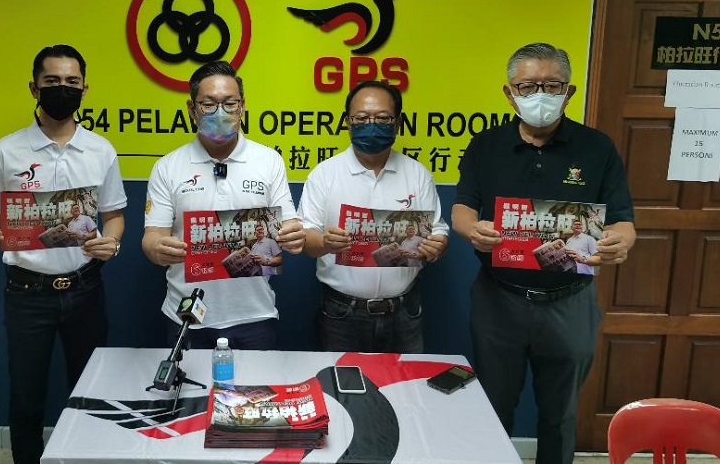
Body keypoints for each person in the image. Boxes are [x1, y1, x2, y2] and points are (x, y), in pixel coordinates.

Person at [452, 42, 636, 464]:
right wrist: (471, 229)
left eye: (552, 86)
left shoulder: (597, 148)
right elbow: (463, 207)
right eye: (527, 86)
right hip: (499, 300)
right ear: (509, 93)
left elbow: (623, 220)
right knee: (493, 407)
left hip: (569, 301)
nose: (540, 95)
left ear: (569, 93)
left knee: (559, 415)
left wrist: (619, 241)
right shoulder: (486, 145)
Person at [0, 44, 127, 464]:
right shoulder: (6, 151)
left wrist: (111, 242)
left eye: (71, 82)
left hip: (85, 288)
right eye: (52, 81)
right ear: (34, 88)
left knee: (90, 392)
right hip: (26, 293)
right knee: (26, 398)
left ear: (84, 89)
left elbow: (114, 217)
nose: (62, 88)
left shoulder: (101, 150)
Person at [142, 60, 305, 350]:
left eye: (230, 103)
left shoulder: (269, 161)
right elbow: (152, 236)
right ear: (192, 109)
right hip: (187, 314)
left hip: (255, 314)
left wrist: (293, 234)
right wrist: (157, 249)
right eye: (209, 104)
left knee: (257, 382)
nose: (221, 112)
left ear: (242, 107)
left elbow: (288, 222)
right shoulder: (167, 167)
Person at [298, 80, 450, 353]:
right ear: (347, 122)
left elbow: (437, 230)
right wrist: (324, 242)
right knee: (341, 380)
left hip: (404, 312)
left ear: (398, 123)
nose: (371, 125)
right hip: (342, 313)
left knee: (406, 380)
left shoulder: (417, 174)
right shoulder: (324, 174)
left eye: (382, 118)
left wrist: (438, 245)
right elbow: (305, 240)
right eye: (361, 118)